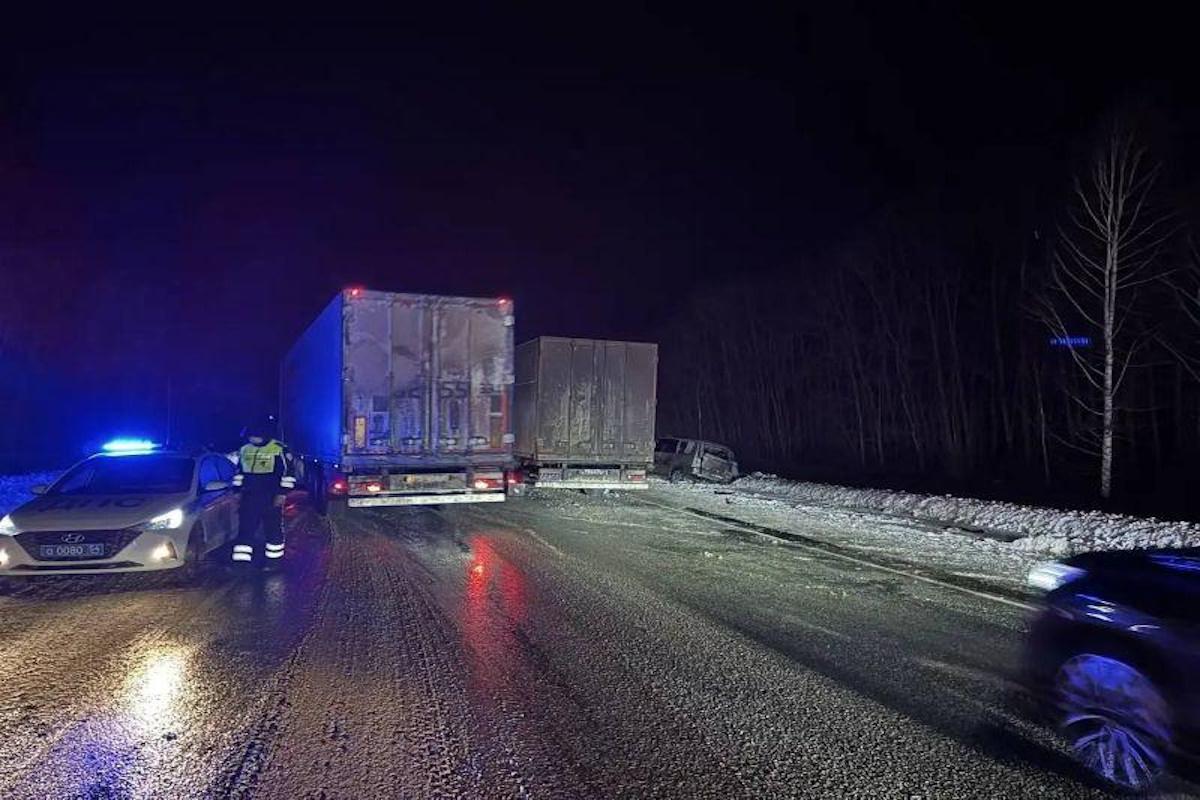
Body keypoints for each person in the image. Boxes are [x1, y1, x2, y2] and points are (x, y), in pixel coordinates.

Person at [231, 414, 295, 570]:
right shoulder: (245, 449)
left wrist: (282, 493)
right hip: (249, 495)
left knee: (272, 529)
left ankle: (273, 562)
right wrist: (237, 490)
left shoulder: (278, 449)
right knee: (246, 528)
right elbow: (239, 472)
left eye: (255, 437)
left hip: (270, 496)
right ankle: (241, 563)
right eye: (250, 437)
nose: (252, 440)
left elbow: (288, 474)